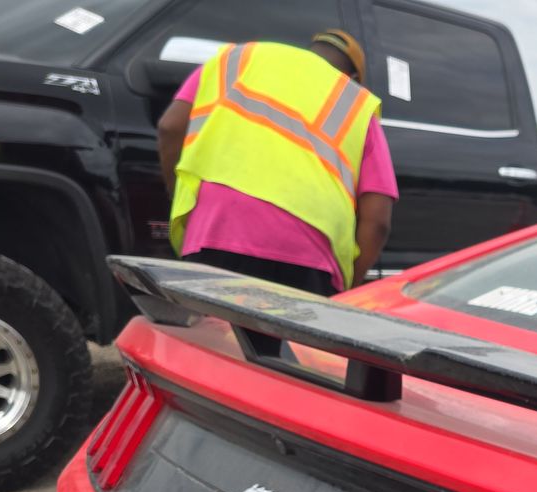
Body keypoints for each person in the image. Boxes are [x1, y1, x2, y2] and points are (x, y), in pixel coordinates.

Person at [156, 30, 396, 296]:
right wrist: (347, 290)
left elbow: (171, 126)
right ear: (352, 78)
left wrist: (178, 194)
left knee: (214, 334)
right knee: (289, 339)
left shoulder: (235, 58)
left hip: (217, 231)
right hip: (309, 254)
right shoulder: (356, 101)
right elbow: (377, 220)